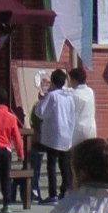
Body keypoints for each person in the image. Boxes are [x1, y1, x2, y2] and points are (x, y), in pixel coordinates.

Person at [31, 70, 78, 205]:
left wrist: (41, 100)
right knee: (64, 164)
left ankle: (53, 194)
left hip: (53, 133)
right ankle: (65, 191)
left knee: (51, 164)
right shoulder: (69, 96)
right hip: (66, 133)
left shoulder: (52, 96)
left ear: (52, 82)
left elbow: (41, 113)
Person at [67, 65, 98, 144]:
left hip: (78, 131)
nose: (70, 82)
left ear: (75, 81)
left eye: (70, 80)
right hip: (91, 129)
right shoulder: (90, 91)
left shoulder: (72, 94)